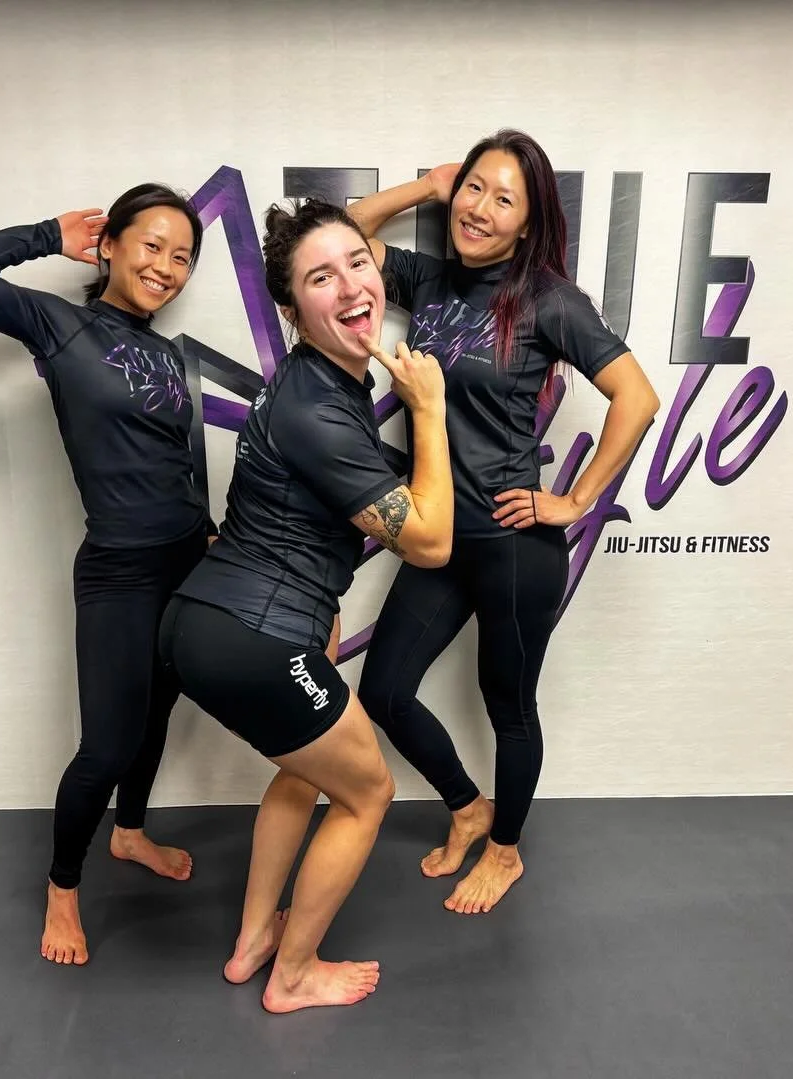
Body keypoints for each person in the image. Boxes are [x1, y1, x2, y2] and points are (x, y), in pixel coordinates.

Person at [350, 130, 662, 915]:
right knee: (386, 691)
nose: (481, 209)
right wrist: (426, 187)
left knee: (509, 706)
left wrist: (576, 497)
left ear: (529, 222)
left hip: (513, 542)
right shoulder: (431, 283)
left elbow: (638, 396)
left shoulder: (548, 299)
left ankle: (507, 850)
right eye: (475, 189)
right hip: (436, 532)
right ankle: (467, 806)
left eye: (504, 199)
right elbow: (346, 233)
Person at [158, 198, 452, 1013]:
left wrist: (419, 188)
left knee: (302, 768)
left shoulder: (320, 374)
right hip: (249, 633)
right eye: (322, 278)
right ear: (292, 310)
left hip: (218, 618)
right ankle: (293, 972)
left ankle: (255, 942)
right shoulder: (321, 409)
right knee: (369, 791)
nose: (352, 284)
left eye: (360, 263)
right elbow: (427, 540)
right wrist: (428, 410)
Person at [0, 185, 216, 965]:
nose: (165, 266)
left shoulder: (166, 352)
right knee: (108, 742)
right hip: (119, 570)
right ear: (111, 245)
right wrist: (45, 233)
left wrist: (210, 533)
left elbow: (179, 462)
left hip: (188, 557)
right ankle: (63, 887)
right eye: (150, 245)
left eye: (181, 256)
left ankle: (130, 834)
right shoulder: (61, 327)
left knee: (158, 713)